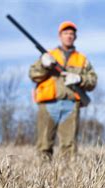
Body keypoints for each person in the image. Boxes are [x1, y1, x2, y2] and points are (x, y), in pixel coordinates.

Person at [29, 21, 97, 161]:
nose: (69, 36)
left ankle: (69, 179)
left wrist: (79, 79)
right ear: (60, 36)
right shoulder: (49, 55)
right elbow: (33, 74)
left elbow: (93, 80)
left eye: (71, 33)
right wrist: (44, 65)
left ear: (75, 37)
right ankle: (43, 178)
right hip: (48, 104)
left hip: (71, 105)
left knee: (69, 147)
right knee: (44, 145)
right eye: (66, 33)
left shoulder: (82, 59)